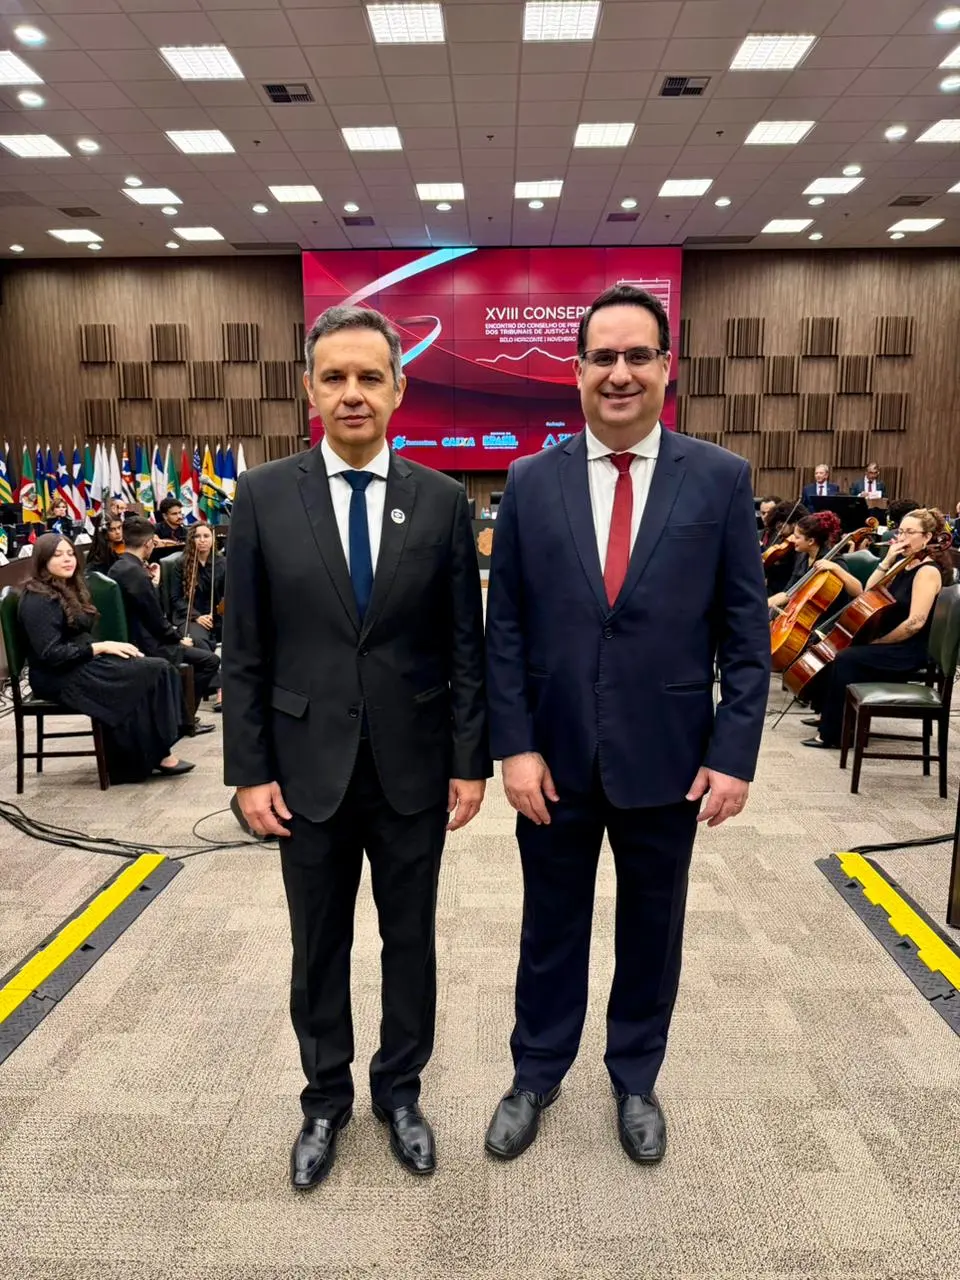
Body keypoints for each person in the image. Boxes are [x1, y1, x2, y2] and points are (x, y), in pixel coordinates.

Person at [484, 284, 770, 1167]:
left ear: (665, 368)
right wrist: (514, 746)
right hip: (555, 759)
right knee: (550, 928)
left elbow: (746, 635)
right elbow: (506, 631)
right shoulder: (529, 482)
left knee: (653, 929)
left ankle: (636, 1077)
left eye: (637, 355)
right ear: (575, 372)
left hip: (669, 758)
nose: (620, 373)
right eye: (602, 357)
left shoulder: (719, 478)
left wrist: (734, 755)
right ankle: (535, 1073)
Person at [222, 304, 490, 1191]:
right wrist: (248, 772)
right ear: (309, 389)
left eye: (369, 377)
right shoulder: (263, 496)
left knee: (409, 942)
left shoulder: (442, 501)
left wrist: (469, 760)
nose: (351, 394)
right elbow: (244, 650)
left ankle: (400, 1093)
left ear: (399, 389)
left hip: (414, 767)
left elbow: (464, 645)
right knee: (319, 945)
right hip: (304, 771)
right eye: (333, 377)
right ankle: (324, 1099)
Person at [17, 534, 193, 782]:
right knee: (153, 670)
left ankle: (151, 752)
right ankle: (142, 759)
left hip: (76, 664)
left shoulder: (63, 588)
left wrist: (107, 647)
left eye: (70, 553)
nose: (67, 559)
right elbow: (52, 654)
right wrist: (101, 647)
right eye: (58, 555)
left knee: (153, 667)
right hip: (58, 677)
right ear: (42, 560)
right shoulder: (38, 599)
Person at [802, 509, 952, 748]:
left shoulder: (927, 571)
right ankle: (831, 718)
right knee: (836, 649)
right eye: (900, 531)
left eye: (910, 532)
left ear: (927, 537)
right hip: (893, 642)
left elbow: (915, 623)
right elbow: (867, 592)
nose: (902, 537)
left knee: (847, 658)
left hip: (908, 649)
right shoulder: (905, 564)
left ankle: (835, 735)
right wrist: (887, 560)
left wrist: (880, 642)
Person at [108, 516, 219, 724]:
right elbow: (156, 621)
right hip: (148, 644)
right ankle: (183, 718)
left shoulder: (119, 567)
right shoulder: (136, 574)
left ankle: (180, 714)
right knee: (210, 661)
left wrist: (154, 584)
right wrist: (178, 638)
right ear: (148, 543)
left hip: (137, 636)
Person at [170, 523, 225, 709]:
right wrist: (197, 616)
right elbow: (175, 598)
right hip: (189, 616)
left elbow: (228, 594)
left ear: (213, 539)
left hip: (216, 615)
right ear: (191, 539)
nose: (202, 540)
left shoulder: (222, 563)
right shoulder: (181, 564)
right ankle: (220, 690)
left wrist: (219, 610)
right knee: (200, 641)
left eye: (206, 536)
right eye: (197, 536)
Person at [767, 511, 844, 614]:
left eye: (797, 537)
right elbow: (788, 592)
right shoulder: (802, 557)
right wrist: (764, 604)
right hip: (803, 612)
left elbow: (857, 590)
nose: (792, 540)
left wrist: (836, 568)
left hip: (825, 616)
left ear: (811, 541)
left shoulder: (834, 560)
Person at [761, 499, 807, 597]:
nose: (778, 529)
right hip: (771, 590)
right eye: (777, 524)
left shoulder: (801, 546)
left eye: (782, 524)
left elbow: (796, 577)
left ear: (794, 524)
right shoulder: (777, 537)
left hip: (787, 593)